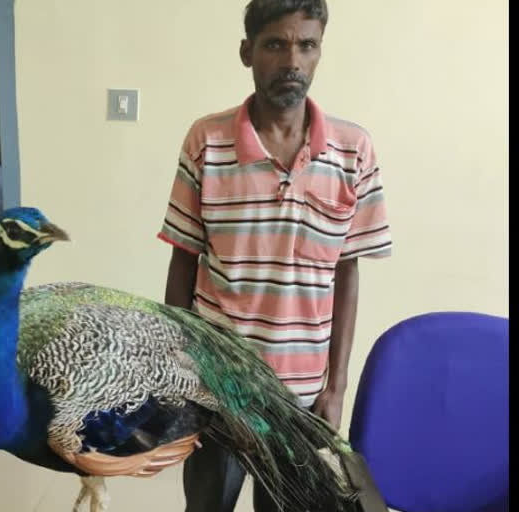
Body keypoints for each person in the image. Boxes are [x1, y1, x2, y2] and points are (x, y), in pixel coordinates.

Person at [158, 1, 392, 510]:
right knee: (206, 505)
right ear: (247, 52)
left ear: (319, 52)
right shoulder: (207, 141)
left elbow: (346, 272)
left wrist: (336, 387)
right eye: (275, 44)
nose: (292, 60)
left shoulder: (354, 151)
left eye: (306, 45)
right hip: (217, 389)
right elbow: (183, 259)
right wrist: (179, 372)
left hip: (301, 398)